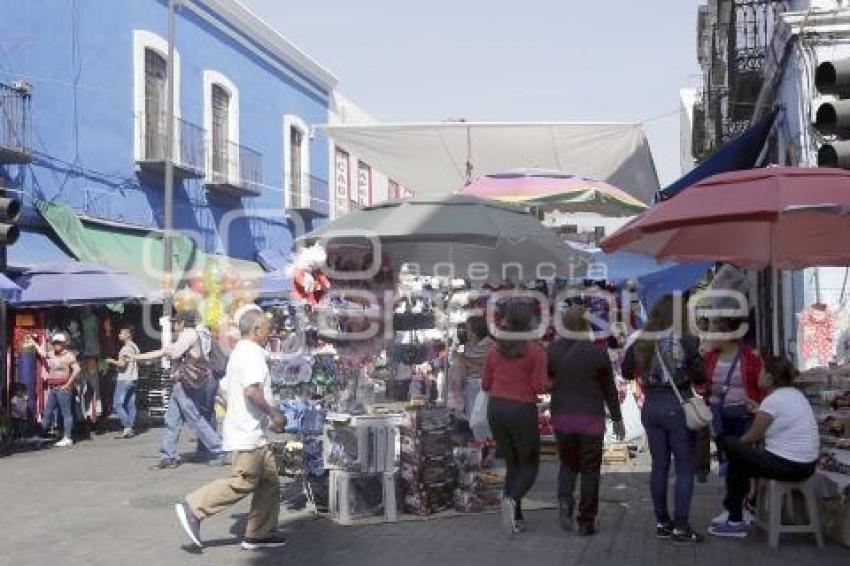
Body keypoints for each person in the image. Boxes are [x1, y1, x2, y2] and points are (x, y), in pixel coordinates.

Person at [174, 309, 288, 550]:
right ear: (256, 330)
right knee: (243, 481)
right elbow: (252, 391)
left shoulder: (240, 352)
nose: (271, 332)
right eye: (267, 328)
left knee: (269, 483)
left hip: (251, 431)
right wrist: (273, 414)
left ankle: (259, 533)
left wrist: (238, 410)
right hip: (247, 433)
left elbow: (224, 387)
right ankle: (194, 507)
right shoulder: (252, 354)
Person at [622, 295, 707, 543]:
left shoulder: (641, 340)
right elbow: (700, 375)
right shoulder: (687, 339)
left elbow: (626, 371)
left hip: (650, 406)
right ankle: (681, 526)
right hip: (677, 403)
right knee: (683, 467)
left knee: (659, 465)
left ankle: (662, 522)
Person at [708, 356, 819, 538]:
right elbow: (777, 419)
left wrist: (732, 447)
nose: (757, 374)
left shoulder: (773, 401)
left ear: (769, 377)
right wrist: (758, 410)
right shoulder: (796, 395)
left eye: (761, 371)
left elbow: (753, 436)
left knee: (730, 445)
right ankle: (736, 515)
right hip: (807, 465)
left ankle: (735, 518)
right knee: (739, 460)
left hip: (788, 465)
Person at [548, 306, 625, 536]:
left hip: (562, 417)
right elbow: (609, 389)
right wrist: (618, 419)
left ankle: (564, 500)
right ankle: (586, 520)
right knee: (590, 469)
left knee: (568, 464)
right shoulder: (597, 353)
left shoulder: (553, 351)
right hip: (590, 418)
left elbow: (548, 380)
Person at [482, 302, 548, 536]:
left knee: (512, 463)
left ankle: (516, 516)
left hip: (496, 408)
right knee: (529, 465)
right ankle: (511, 500)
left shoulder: (493, 350)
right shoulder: (536, 352)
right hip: (521, 409)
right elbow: (539, 386)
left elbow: (485, 384)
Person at [134, 310, 224, 469]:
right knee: (172, 420)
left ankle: (219, 449)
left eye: (175, 322)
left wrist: (164, 350)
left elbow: (175, 352)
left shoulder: (188, 334)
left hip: (185, 383)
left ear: (182, 323)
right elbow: (167, 352)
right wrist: (137, 357)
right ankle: (167, 456)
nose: (174, 325)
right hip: (180, 383)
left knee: (194, 418)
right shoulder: (191, 334)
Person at [702, 316, 765, 521]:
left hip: (745, 416)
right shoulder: (709, 357)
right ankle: (734, 507)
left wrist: (762, 409)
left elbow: (763, 384)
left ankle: (742, 506)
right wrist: (711, 388)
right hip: (720, 417)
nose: (708, 335)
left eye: (713, 331)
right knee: (729, 464)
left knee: (743, 463)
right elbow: (700, 384)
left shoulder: (750, 356)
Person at [25, 333, 81, 447]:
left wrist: (68, 383)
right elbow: (43, 353)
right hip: (54, 388)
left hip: (64, 388)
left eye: (59, 343)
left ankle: (67, 437)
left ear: (64, 344)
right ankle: (40, 436)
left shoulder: (69, 355)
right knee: (47, 412)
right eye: (55, 343)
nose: (57, 345)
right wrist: (34, 343)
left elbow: (77, 369)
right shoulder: (51, 353)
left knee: (66, 413)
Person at [107, 325, 140, 438]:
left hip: (124, 379)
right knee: (130, 404)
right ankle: (130, 427)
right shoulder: (135, 347)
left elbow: (122, 364)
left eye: (121, 333)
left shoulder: (125, 349)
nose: (119, 335)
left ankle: (127, 426)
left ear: (128, 335)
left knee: (117, 404)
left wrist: (111, 361)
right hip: (134, 378)